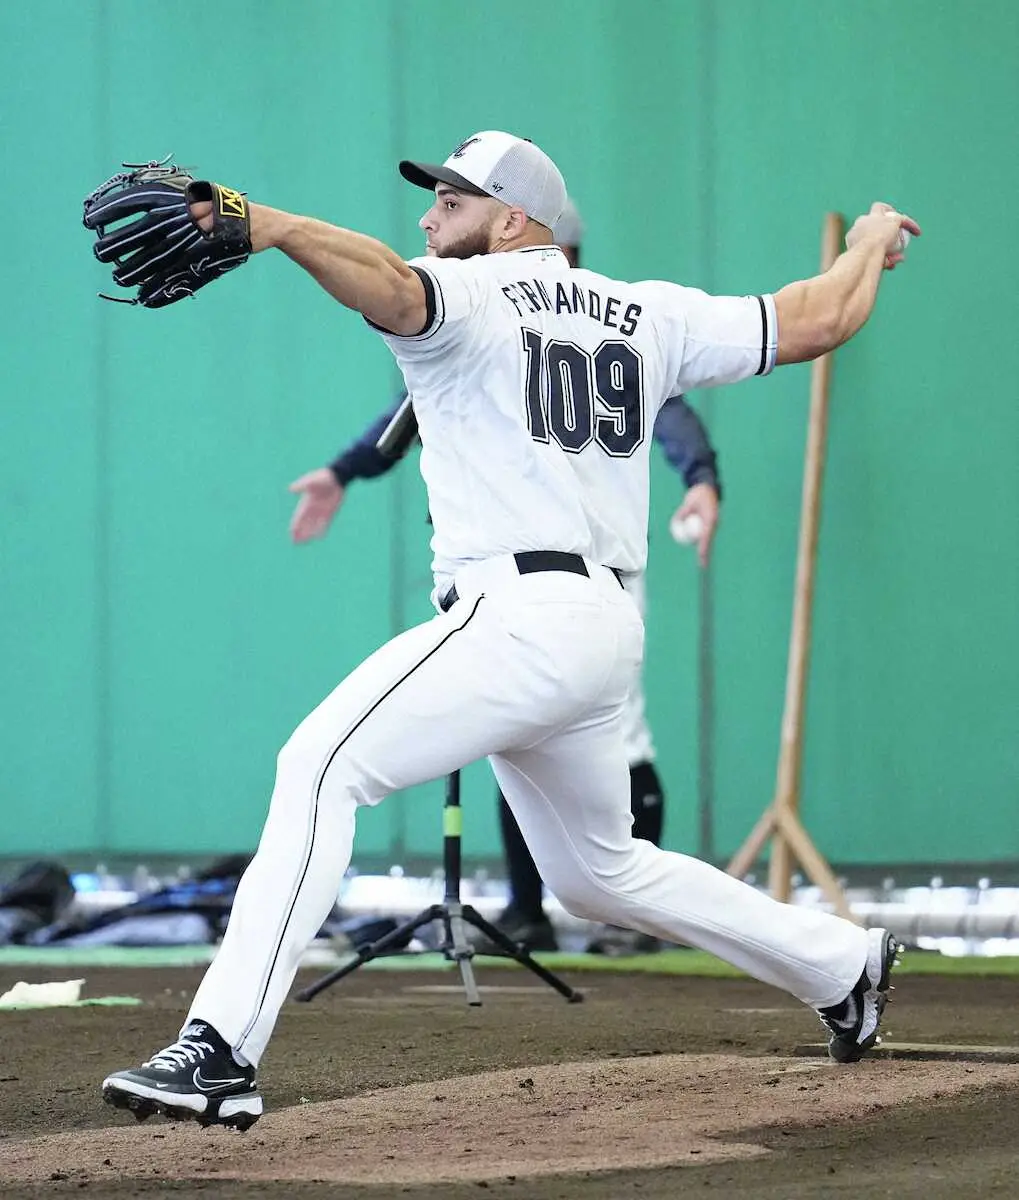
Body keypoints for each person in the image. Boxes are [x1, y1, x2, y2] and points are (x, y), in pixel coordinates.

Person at [101, 130, 918, 1129]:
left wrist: (266, 224)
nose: (429, 216)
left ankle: (220, 1050)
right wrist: (867, 241)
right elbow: (818, 316)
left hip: (520, 616)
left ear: (512, 219)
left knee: (318, 767)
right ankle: (840, 964)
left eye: (452, 201)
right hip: (601, 628)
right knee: (599, 872)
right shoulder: (645, 312)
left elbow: (385, 285)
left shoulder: (472, 294)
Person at [288, 203, 722, 956]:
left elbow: (671, 412)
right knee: (517, 740)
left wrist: (702, 477)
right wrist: (343, 470)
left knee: (618, 734)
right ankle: (528, 909)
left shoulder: (610, 323)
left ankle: (625, 924)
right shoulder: (493, 314)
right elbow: (412, 409)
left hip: (592, 567)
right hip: (520, 575)